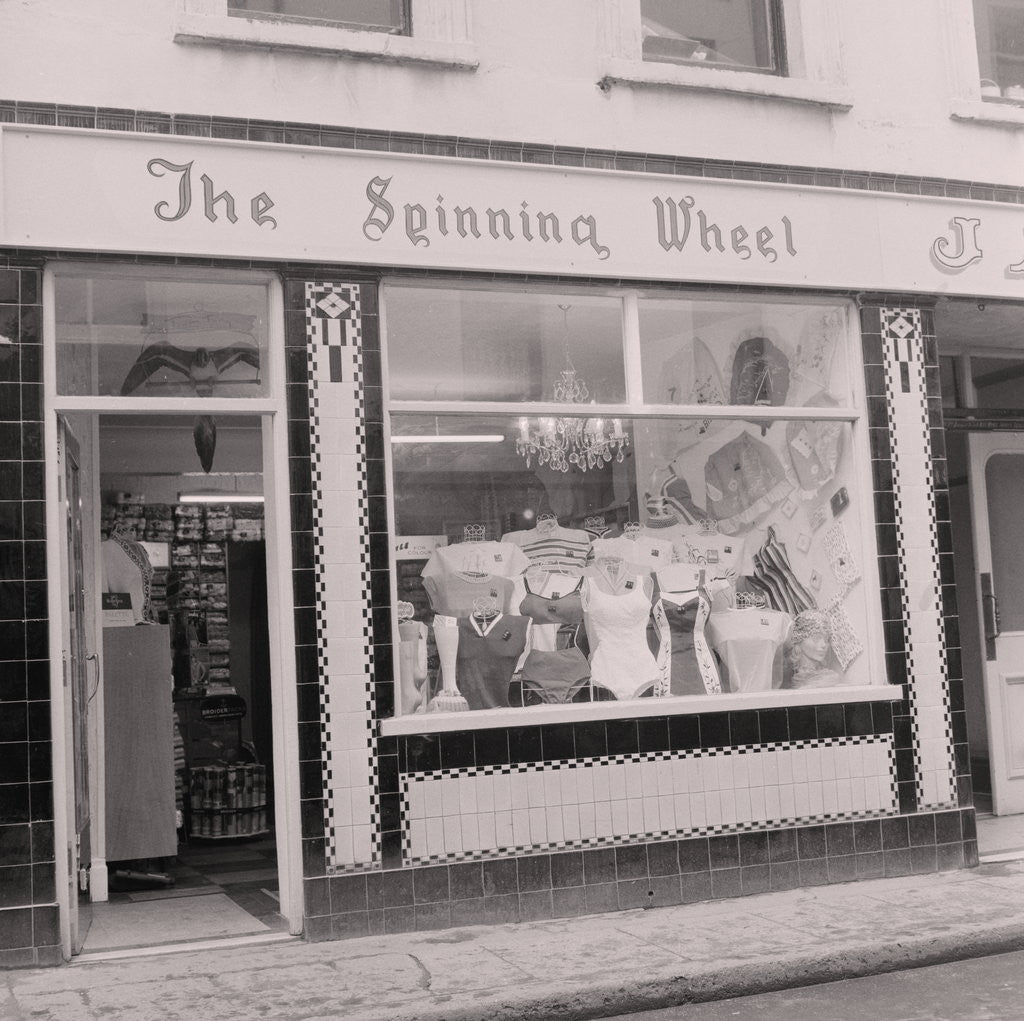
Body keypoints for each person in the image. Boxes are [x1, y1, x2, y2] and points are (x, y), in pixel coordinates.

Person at [784, 610, 844, 689]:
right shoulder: (788, 679)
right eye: (816, 638)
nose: (824, 645)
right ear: (800, 640)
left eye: (826, 639)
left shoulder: (830, 677)